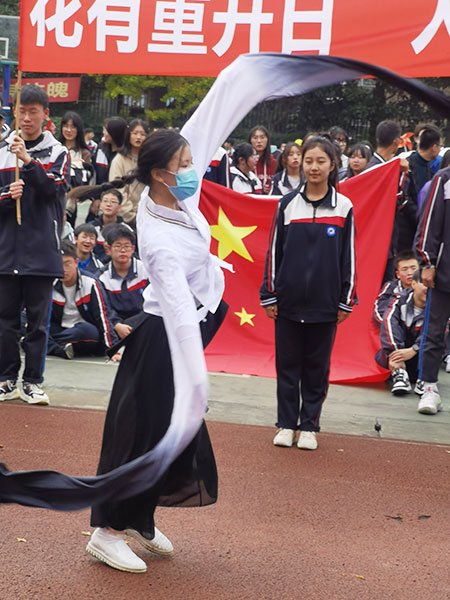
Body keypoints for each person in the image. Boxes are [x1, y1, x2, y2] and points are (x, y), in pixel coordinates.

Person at [83, 129, 228, 573]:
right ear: (161, 174)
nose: (192, 168)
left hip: (184, 330)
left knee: (173, 431)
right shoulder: (159, 238)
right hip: (166, 336)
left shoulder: (176, 196)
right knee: (142, 434)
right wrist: (197, 373)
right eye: (183, 164)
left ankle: (139, 517)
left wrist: (242, 77)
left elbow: (211, 119)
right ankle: (106, 531)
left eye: (190, 160)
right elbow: (180, 309)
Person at [260, 136, 356, 451]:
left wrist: (346, 298)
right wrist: (270, 294)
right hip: (287, 304)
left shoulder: (344, 207)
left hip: (325, 306)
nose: (313, 167)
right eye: (308, 160)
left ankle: (310, 425)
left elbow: (349, 257)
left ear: (332, 165)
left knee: (317, 368)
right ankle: (286, 424)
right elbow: (275, 252)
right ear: (301, 164)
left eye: (321, 161)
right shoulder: (287, 204)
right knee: (288, 366)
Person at [0, 85, 70, 405]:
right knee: (5, 321)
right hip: (6, 250)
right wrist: (6, 196)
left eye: (33, 111)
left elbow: (51, 190)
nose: (26, 118)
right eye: (21, 111)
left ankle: (32, 381)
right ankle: (6, 379)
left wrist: (27, 160)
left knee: (38, 324)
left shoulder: (58, 152)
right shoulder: (2, 149)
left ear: (45, 114)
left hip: (41, 251)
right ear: (14, 112)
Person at [415, 165, 450, 414]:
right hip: (444, 272)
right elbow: (428, 222)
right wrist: (427, 262)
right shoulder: (444, 179)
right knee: (434, 331)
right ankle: (428, 387)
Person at [47, 240, 118, 359]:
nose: (63, 269)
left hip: (81, 331)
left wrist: (113, 349)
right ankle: (58, 349)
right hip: (59, 328)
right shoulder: (50, 283)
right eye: (59, 264)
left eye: (67, 264)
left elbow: (103, 318)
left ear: (76, 262)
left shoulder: (90, 283)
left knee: (87, 331)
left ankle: (46, 344)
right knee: (27, 320)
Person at [375, 270, 427, 396]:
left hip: (421, 354)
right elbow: (388, 323)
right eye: (424, 283)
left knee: (432, 349)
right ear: (413, 284)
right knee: (383, 352)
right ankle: (400, 375)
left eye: (432, 284)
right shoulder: (399, 299)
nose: (428, 288)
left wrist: (414, 349)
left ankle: (425, 380)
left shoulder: (438, 307)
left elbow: (437, 334)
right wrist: (397, 352)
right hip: (400, 354)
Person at [97, 224, 149, 340]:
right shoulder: (101, 277)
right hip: (116, 326)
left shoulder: (145, 270)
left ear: (133, 249)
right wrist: (117, 325)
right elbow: (104, 309)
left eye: (127, 246)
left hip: (143, 320)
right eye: (118, 246)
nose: (123, 250)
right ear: (108, 249)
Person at [109, 119, 149, 227]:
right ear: (128, 135)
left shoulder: (150, 160)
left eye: (142, 134)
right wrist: (130, 213)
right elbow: (117, 187)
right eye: (135, 133)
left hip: (146, 214)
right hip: (124, 215)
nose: (138, 137)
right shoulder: (119, 159)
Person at [59, 111, 95, 226]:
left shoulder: (84, 153)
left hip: (75, 202)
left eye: (73, 127)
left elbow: (87, 177)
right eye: (66, 126)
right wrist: (72, 163)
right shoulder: (55, 147)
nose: (69, 130)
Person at [372, 250, 419, 328]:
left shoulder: (427, 287)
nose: (410, 273)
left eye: (413, 268)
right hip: (396, 329)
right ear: (398, 274)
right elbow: (378, 311)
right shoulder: (390, 287)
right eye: (405, 269)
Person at [248, 125, 277, 194]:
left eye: (262, 137)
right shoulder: (245, 164)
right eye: (255, 138)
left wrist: (271, 188)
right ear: (250, 141)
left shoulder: (275, 163)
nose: (259, 141)